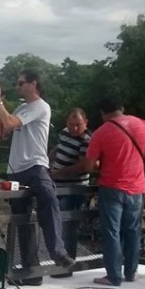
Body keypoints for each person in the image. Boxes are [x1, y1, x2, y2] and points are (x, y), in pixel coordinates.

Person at [0, 69, 75, 286]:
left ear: (33, 83)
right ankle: (32, 270)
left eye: (21, 83)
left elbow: (10, 123)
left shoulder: (40, 106)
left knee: (49, 198)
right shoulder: (20, 108)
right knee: (22, 219)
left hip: (35, 166)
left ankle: (57, 251)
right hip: (16, 169)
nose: (18, 87)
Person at [78, 97, 145, 286]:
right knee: (133, 231)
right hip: (137, 188)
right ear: (122, 108)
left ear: (103, 113)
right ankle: (131, 273)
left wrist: (103, 162)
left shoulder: (101, 133)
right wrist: (140, 156)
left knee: (111, 232)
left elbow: (88, 166)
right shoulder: (142, 124)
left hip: (111, 188)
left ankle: (114, 276)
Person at [49, 108, 92, 278]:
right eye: (71, 124)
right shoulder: (65, 132)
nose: (74, 128)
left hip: (74, 188)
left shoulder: (87, 140)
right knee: (58, 225)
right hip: (57, 186)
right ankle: (60, 262)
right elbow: (59, 148)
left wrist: (58, 173)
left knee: (69, 227)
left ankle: (66, 267)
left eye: (78, 125)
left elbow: (82, 167)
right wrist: (47, 159)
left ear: (85, 123)